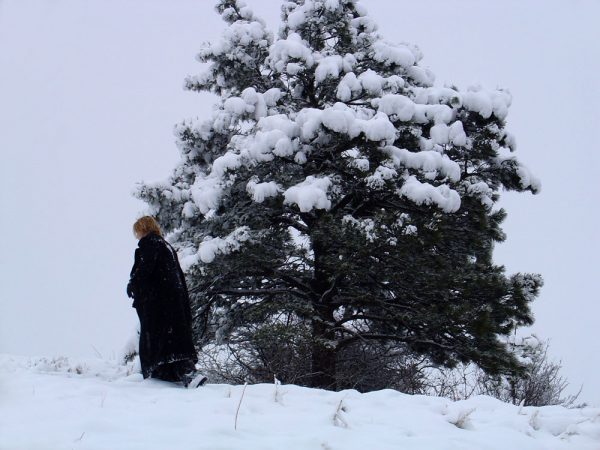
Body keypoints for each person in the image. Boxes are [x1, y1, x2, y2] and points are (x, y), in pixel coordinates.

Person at [126, 216, 206, 388]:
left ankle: (180, 373)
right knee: (173, 337)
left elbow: (145, 269)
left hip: (159, 304)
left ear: (143, 229)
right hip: (173, 303)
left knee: (161, 338)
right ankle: (177, 373)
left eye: (137, 231)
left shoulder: (150, 244)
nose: (137, 236)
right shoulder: (165, 246)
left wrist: (134, 284)